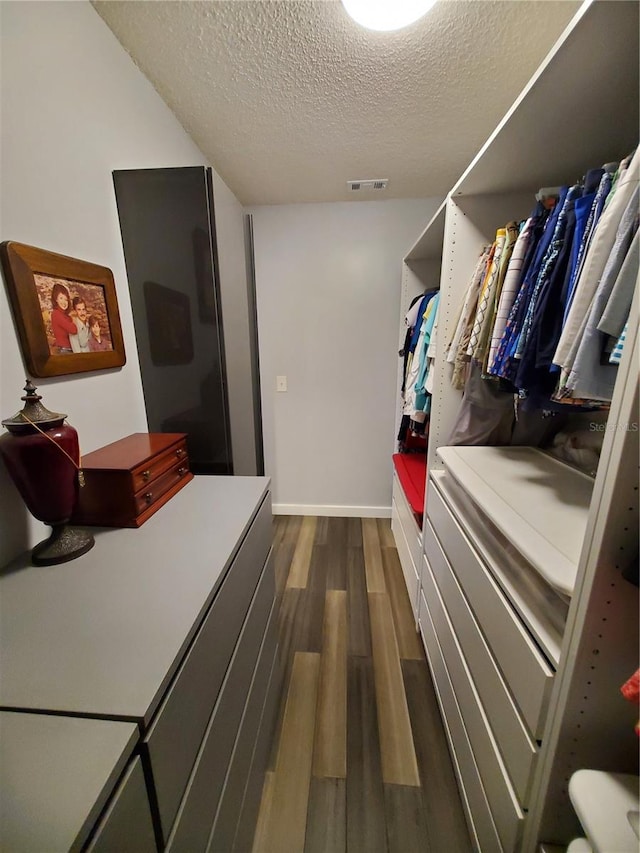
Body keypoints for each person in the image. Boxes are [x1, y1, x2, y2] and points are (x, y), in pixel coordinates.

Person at [50, 282, 77, 353]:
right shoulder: (56, 314)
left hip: (70, 349)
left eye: (66, 299)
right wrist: (74, 320)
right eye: (61, 298)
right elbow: (73, 330)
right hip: (64, 350)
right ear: (56, 299)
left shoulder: (66, 316)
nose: (64, 302)